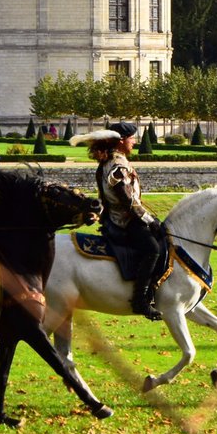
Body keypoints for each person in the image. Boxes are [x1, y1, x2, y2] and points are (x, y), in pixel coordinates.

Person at [71, 122, 167, 320]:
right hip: (125, 221)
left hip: (116, 219)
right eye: (132, 138)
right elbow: (127, 201)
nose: (134, 142)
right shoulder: (117, 164)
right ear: (121, 141)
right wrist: (150, 220)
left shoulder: (108, 162)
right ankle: (140, 300)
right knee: (153, 249)